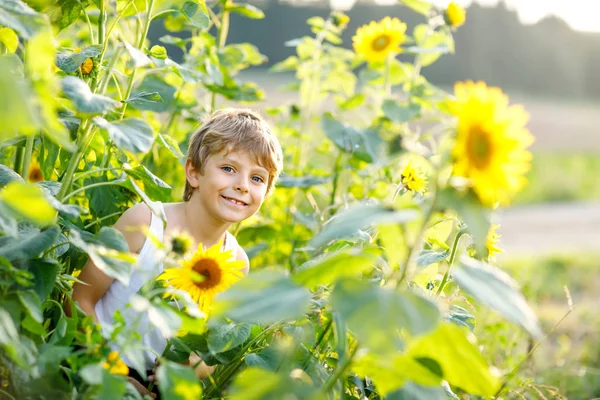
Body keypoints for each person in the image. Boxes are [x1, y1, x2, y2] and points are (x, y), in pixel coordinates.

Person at [69, 108, 283, 397]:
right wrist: (115, 374)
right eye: (229, 169)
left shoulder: (235, 262)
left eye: (257, 178)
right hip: (92, 368)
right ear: (193, 172)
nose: (242, 186)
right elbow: (80, 300)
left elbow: (211, 346)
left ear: (267, 192)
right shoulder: (144, 223)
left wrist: (192, 367)